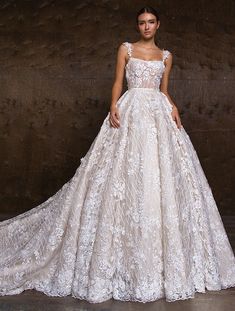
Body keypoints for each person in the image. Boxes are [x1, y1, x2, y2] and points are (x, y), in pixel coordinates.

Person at [0, 5, 235, 304]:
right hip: (130, 110)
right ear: (137, 26)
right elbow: (117, 81)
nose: (146, 27)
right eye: (141, 23)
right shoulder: (125, 48)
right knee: (119, 177)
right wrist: (113, 105)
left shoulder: (166, 56)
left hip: (158, 115)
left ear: (158, 24)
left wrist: (173, 105)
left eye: (151, 22)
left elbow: (163, 90)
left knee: (156, 179)